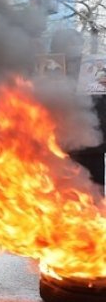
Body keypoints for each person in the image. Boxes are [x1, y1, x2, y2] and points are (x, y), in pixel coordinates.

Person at [52, 29, 106, 193]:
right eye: (66, 43)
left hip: (89, 143)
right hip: (60, 144)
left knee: (93, 190)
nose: (71, 47)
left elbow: (101, 105)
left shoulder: (93, 68)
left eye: (74, 42)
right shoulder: (50, 68)